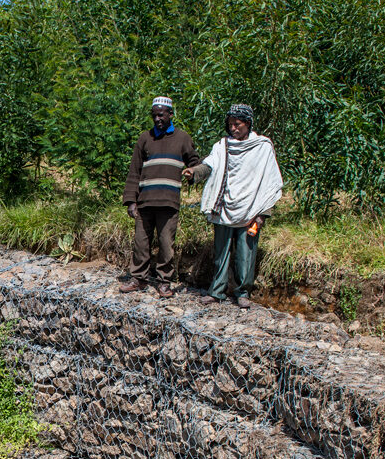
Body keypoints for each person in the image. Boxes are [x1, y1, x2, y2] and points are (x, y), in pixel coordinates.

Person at [182, 104, 283, 309]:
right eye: (230, 125)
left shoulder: (262, 147)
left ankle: (242, 292)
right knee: (221, 252)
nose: (233, 128)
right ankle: (217, 291)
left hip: (251, 208)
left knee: (246, 255)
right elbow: (209, 165)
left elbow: (270, 181)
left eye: (237, 124)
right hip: (224, 207)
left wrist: (263, 213)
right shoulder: (222, 146)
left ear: (247, 124)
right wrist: (194, 173)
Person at [120, 96, 201, 295]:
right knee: (140, 243)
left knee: (166, 244)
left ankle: (164, 280)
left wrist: (193, 173)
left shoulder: (183, 138)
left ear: (170, 114)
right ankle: (139, 278)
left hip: (168, 202)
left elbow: (195, 163)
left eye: (161, 115)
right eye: (155, 115)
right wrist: (131, 201)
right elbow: (134, 171)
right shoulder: (145, 138)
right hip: (145, 201)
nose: (158, 119)